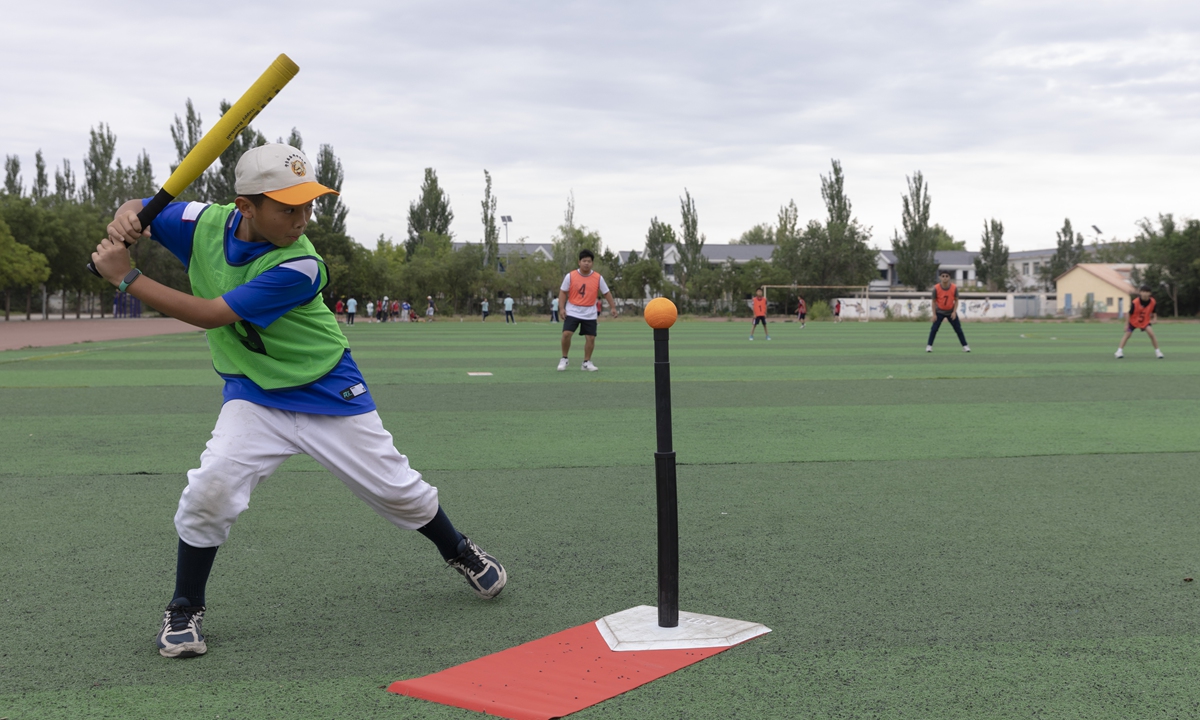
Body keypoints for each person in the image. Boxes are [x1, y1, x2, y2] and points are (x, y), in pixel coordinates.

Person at [90, 143, 506, 660]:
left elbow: (211, 314)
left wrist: (126, 276)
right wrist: (127, 218)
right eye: (289, 207)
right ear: (246, 207)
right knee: (210, 490)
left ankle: (459, 549)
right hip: (255, 394)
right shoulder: (203, 223)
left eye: (308, 204)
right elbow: (140, 205)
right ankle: (184, 605)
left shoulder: (301, 264)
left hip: (326, 389)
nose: (303, 217)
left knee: (402, 493)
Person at [557, 249, 617, 371]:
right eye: (584, 261)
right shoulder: (570, 276)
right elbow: (563, 292)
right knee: (566, 334)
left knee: (590, 337)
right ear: (579, 262)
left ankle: (586, 362)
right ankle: (564, 358)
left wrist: (613, 307)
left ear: (592, 263)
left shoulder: (598, 277)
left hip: (589, 312)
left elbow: (606, 293)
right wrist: (562, 308)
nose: (586, 263)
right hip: (572, 310)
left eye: (589, 261)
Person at [926, 270, 970, 353]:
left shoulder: (954, 287)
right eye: (943, 276)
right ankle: (929, 346)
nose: (945, 278)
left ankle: (965, 346)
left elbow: (956, 300)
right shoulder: (936, 288)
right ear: (940, 277)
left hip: (950, 312)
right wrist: (934, 314)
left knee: (958, 329)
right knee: (934, 329)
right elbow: (933, 301)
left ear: (949, 277)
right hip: (939, 311)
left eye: (946, 276)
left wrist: (954, 312)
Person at [1116, 285, 1164, 359]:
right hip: (1133, 321)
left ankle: (1158, 352)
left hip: (1145, 321)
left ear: (1150, 293)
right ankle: (1119, 351)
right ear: (1140, 293)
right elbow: (1129, 313)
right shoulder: (1135, 302)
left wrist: (1155, 318)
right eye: (1143, 292)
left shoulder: (1152, 301)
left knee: (1151, 334)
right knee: (1127, 335)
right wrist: (1126, 325)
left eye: (1147, 292)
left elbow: (1154, 311)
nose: (1145, 294)